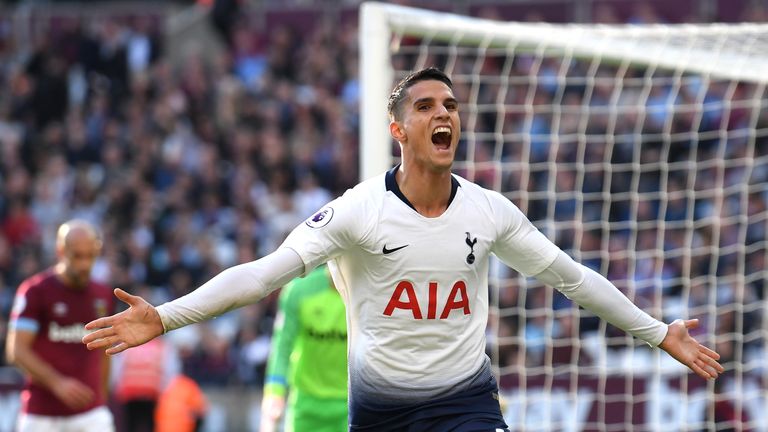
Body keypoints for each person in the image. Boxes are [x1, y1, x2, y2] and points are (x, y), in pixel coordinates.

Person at [82, 67, 724, 431]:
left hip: (466, 402)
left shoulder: (488, 210)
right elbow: (261, 275)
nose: (444, 113)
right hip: (381, 413)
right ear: (399, 129)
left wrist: (653, 332)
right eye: (425, 106)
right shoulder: (357, 211)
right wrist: (166, 316)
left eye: (450, 105)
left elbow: (571, 277)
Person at [6, 219, 115, 432]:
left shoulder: (103, 295)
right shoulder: (35, 291)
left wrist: (101, 400)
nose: (84, 264)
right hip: (41, 414)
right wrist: (57, 383)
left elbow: (105, 351)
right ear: (60, 250)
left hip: (91, 414)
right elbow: (16, 350)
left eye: (90, 256)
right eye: (77, 256)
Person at [260, 264, 347, 432]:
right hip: (305, 405)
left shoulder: (368, 293)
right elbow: (282, 346)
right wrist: (274, 393)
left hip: (352, 405)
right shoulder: (299, 290)